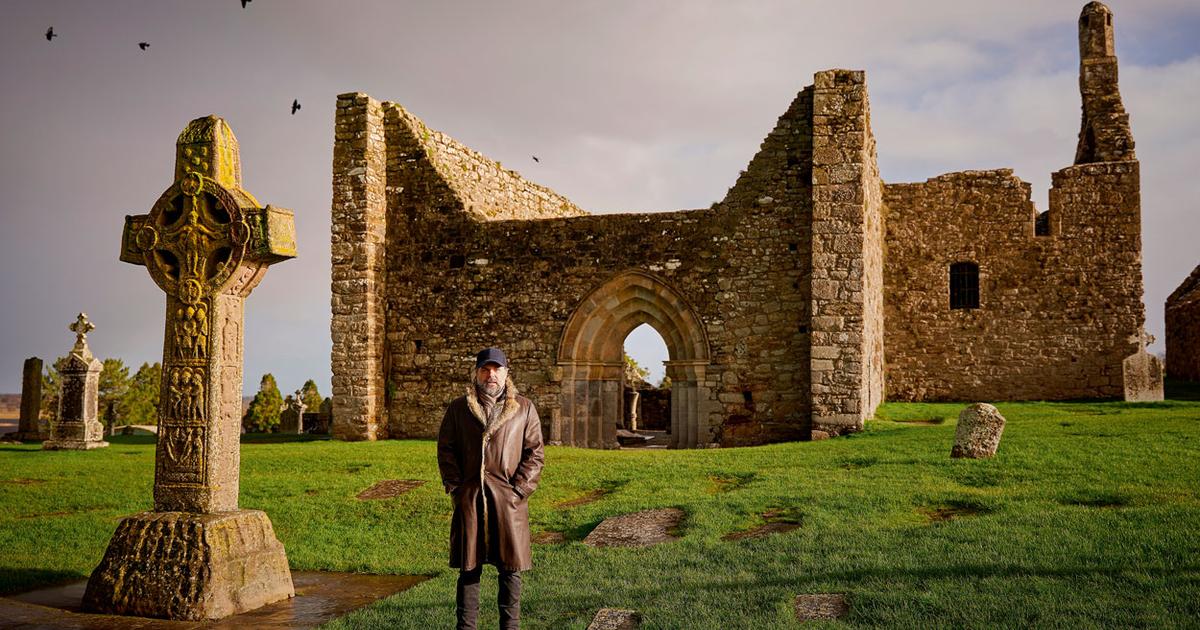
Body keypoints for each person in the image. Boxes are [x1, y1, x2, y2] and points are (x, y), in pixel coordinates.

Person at [437, 347, 545, 630]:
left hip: (508, 501)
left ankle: (510, 627)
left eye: (496, 369)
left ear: (506, 373)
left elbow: (535, 454)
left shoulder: (524, 408)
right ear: (476, 373)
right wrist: (457, 489)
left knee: (510, 570)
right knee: (469, 569)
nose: (491, 375)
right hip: (471, 498)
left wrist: (518, 491)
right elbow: (445, 451)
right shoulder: (459, 408)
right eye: (485, 369)